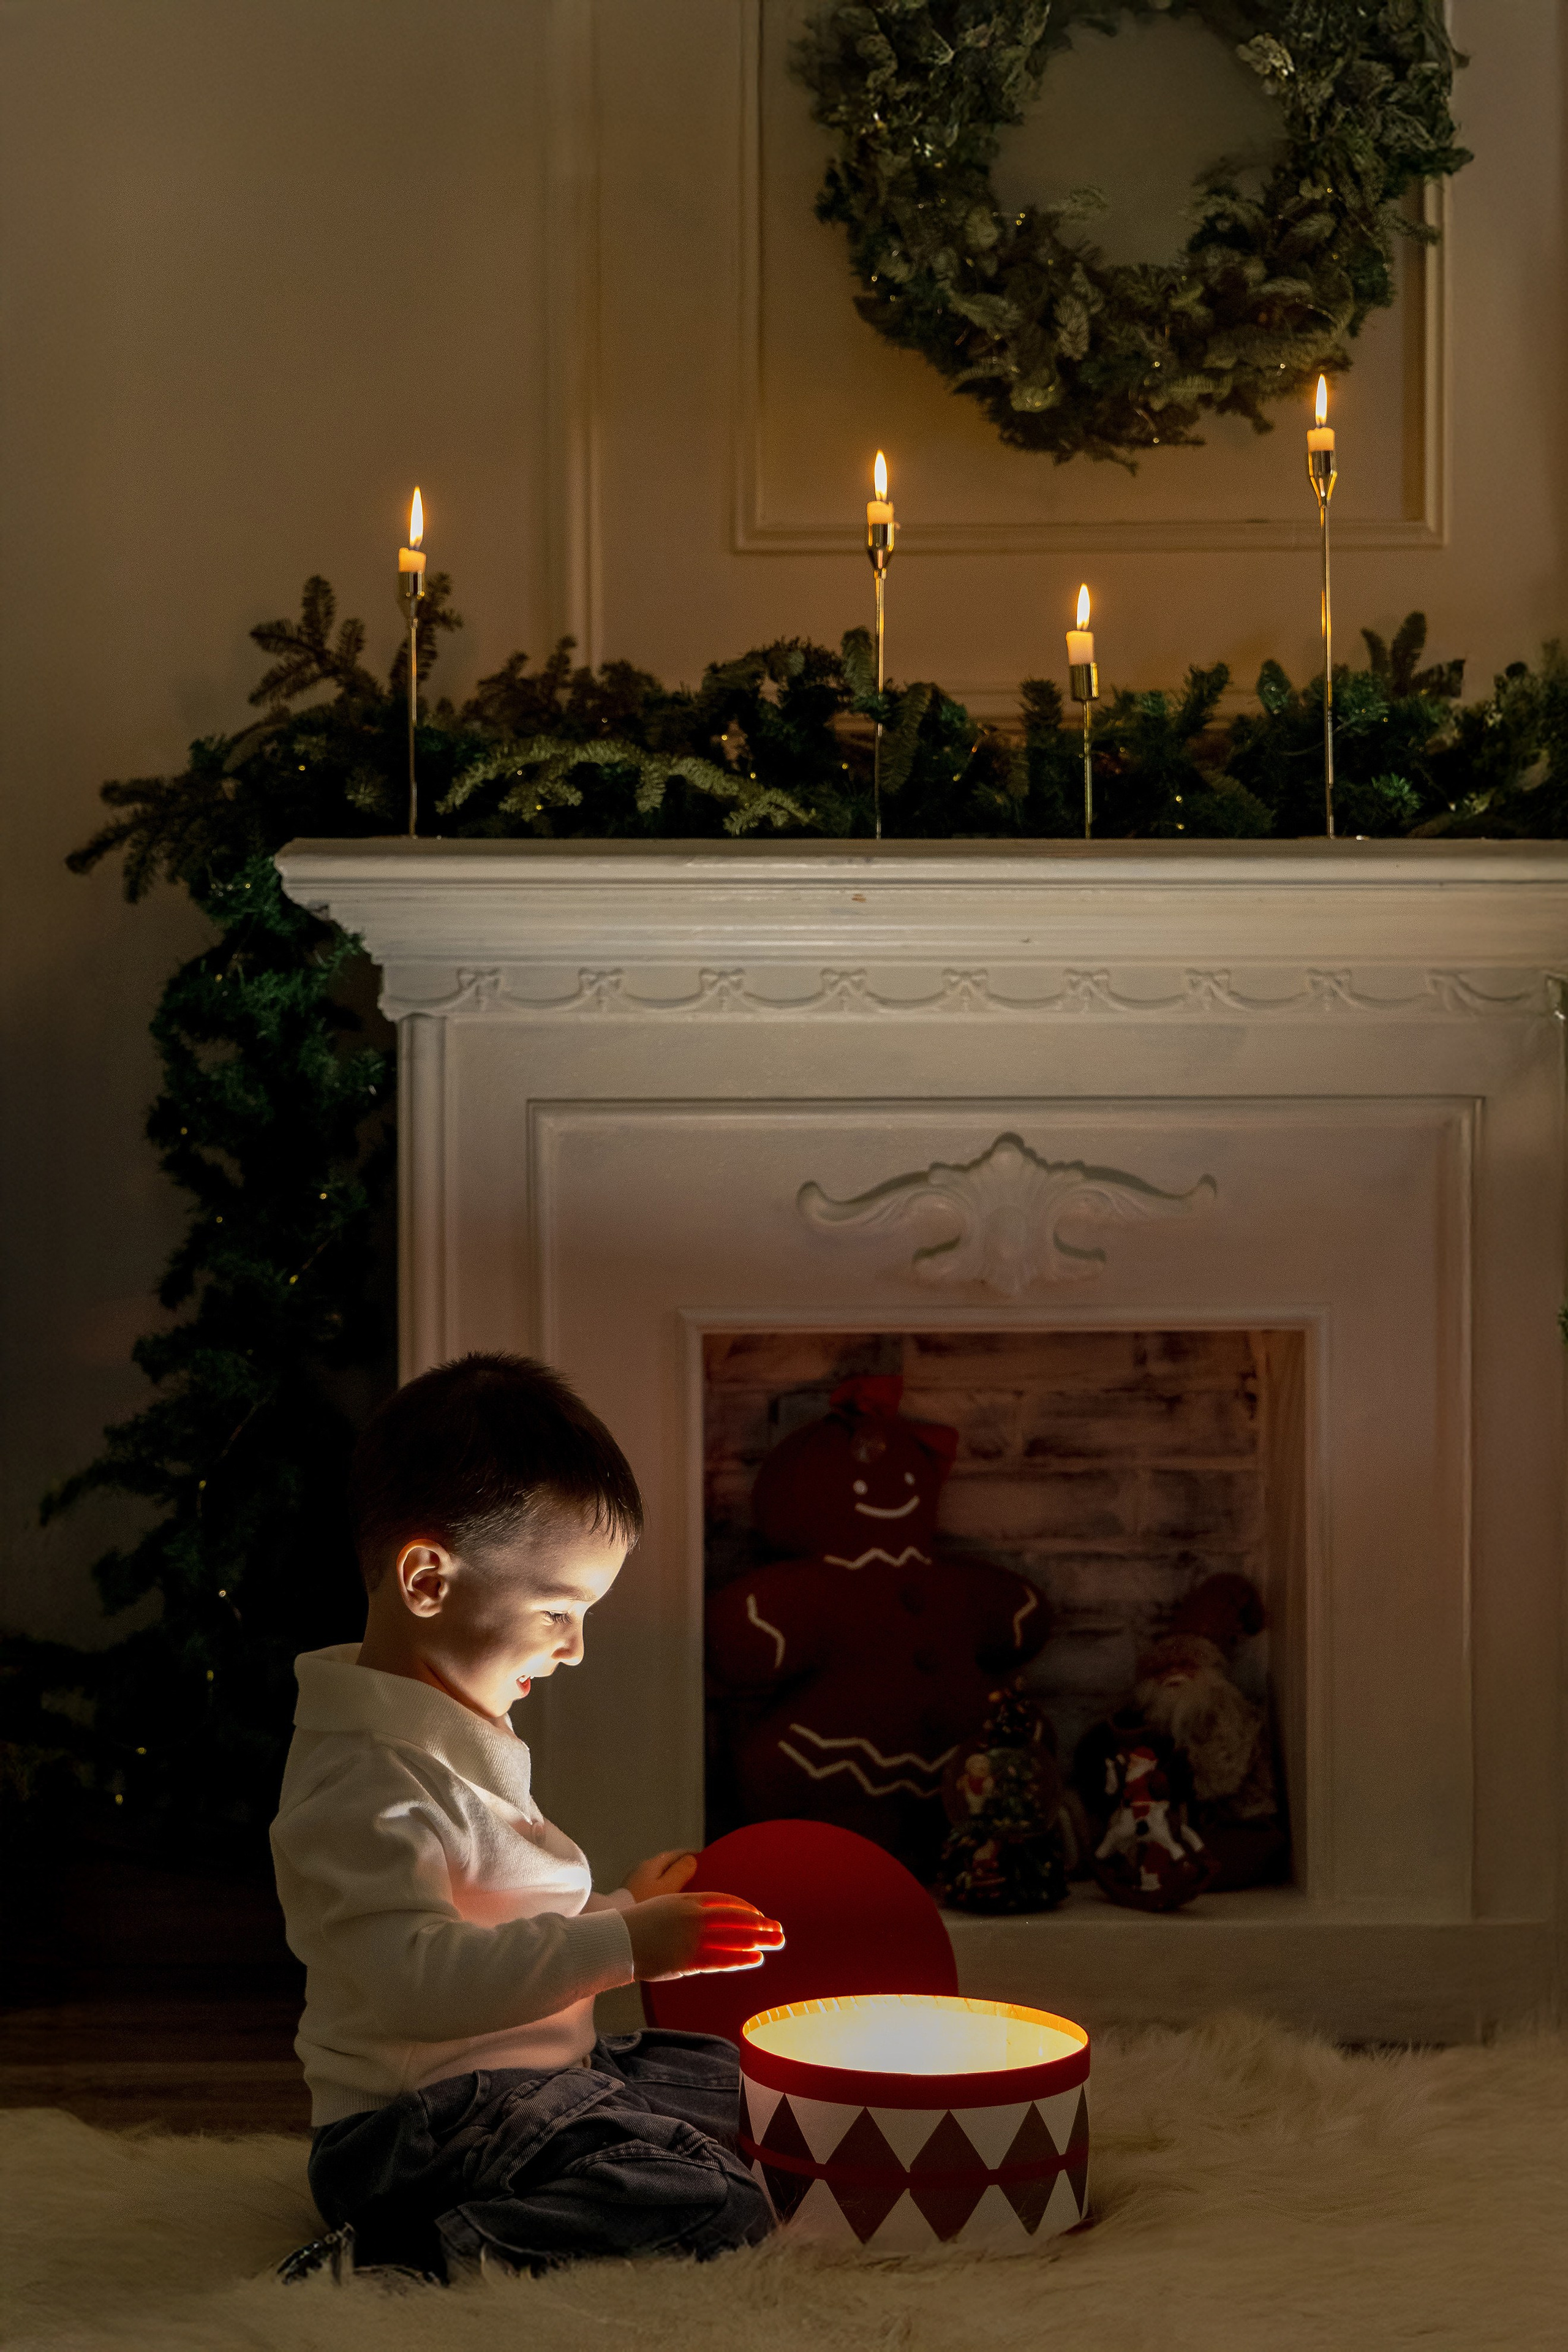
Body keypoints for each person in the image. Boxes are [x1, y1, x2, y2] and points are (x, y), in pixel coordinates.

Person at [270, 1352, 784, 2280]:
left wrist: (620, 1906)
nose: (576, 1648)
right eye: (557, 1611)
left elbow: (503, 1920)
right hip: (413, 2138)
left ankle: (615, 2166)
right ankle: (405, 2255)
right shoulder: (365, 1781)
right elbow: (419, 1983)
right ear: (428, 1579)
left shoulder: (450, 1726)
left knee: (749, 2091)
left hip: (529, 2087)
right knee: (715, 2200)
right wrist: (628, 1947)